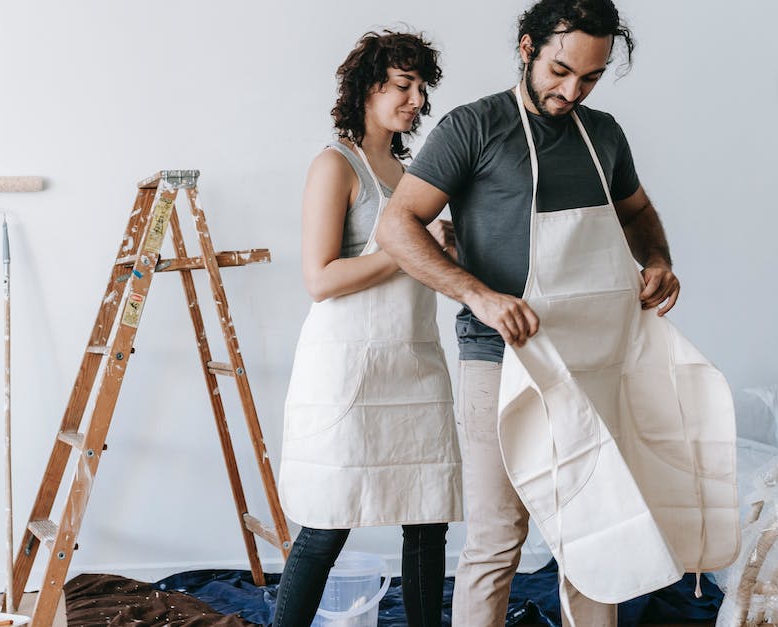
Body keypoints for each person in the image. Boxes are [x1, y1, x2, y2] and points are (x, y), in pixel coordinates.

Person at [375, 0, 682, 625]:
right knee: (496, 537)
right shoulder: (472, 127)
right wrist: (477, 295)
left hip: (595, 361)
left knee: (599, 529)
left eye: (590, 78)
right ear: (527, 48)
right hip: (500, 362)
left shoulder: (605, 135)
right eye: (560, 71)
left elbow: (639, 213)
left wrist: (656, 261)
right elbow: (395, 226)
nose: (572, 91)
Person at [274, 30, 462, 627]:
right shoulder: (335, 164)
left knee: (429, 517)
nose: (415, 100)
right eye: (403, 85)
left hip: (413, 361)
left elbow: (419, 268)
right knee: (329, 521)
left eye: (420, 88)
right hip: (351, 367)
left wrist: (442, 251)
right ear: (366, 89)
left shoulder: (410, 170)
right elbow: (320, 278)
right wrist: (409, 247)